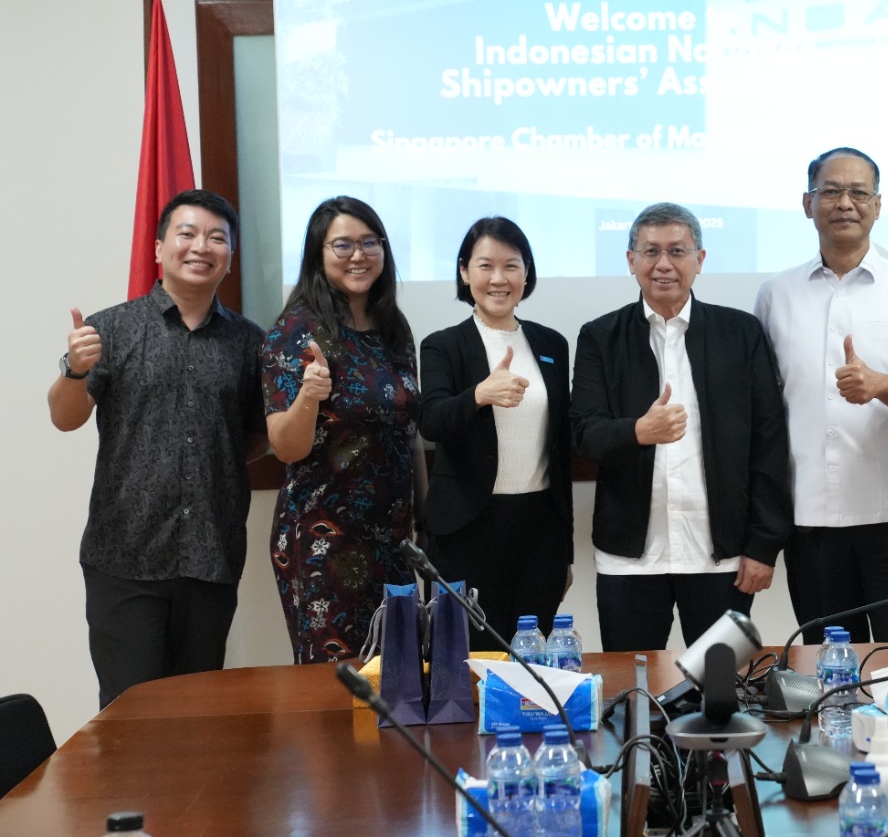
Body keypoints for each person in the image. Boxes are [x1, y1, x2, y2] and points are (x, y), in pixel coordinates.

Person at [48, 189, 266, 707]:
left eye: (217, 238)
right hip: (124, 555)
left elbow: (259, 435)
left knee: (197, 715)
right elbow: (65, 417)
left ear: (230, 256)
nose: (201, 247)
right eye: (187, 233)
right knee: (129, 714)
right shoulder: (111, 328)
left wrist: (212, 461)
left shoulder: (250, 342)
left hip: (210, 556)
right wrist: (74, 370)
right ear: (158, 248)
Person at [571, 202, 791, 651]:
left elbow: (769, 444)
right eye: (651, 251)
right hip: (630, 559)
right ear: (631, 260)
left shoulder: (741, 333)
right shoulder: (600, 337)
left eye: (677, 250)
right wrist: (638, 432)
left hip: (721, 557)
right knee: (633, 687)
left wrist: (763, 546)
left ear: (700, 259)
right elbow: (583, 435)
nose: (664, 264)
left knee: (720, 685)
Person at [754, 147, 888, 643]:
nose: (844, 203)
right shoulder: (776, 295)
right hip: (810, 517)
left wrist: (884, 385)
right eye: (831, 191)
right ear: (807, 203)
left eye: (859, 192)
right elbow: (764, 408)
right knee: (828, 663)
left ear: (877, 205)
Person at [262, 196, 423, 664]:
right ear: (319, 253)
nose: (359, 255)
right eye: (343, 245)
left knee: (400, 679)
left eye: (370, 242)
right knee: (336, 684)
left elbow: (408, 431)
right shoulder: (296, 331)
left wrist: (425, 518)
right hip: (325, 541)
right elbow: (286, 448)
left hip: (393, 539)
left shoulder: (393, 327)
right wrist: (308, 396)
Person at [418, 217, 572, 651]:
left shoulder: (552, 344)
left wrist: (565, 552)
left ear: (527, 273)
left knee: (533, 655)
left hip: (539, 530)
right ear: (465, 272)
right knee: (468, 656)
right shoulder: (442, 345)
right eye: (485, 266)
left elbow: (560, 447)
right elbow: (431, 420)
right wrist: (479, 395)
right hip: (467, 529)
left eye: (511, 266)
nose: (499, 279)